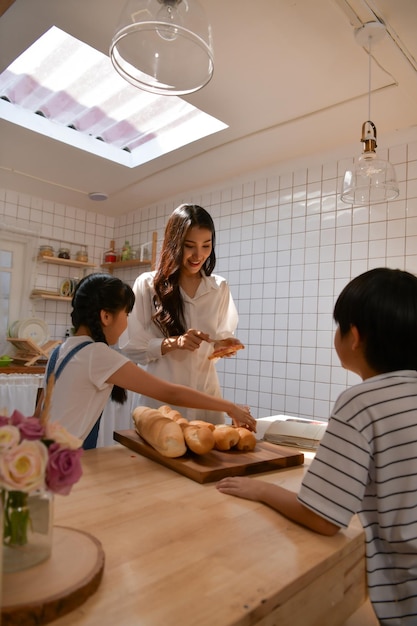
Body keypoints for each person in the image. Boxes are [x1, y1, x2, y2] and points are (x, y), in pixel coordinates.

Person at [217, 267, 417, 626]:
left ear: (354, 336)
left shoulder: (361, 402)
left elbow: (323, 518)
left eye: (338, 326)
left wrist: (260, 489)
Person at [34, 273, 256, 444]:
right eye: (126, 315)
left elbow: (38, 414)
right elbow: (171, 393)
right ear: (106, 316)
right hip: (64, 462)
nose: (127, 323)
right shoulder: (98, 355)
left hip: (42, 454)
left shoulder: (59, 351)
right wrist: (230, 407)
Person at [119, 204, 244, 424]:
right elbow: (132, 347)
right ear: (174, 244)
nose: (199, 255)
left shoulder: (219, 288)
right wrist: (175, 343)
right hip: (159, 403)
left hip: (206, 397)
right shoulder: (148, 285)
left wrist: (221, 347)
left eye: (206, 246)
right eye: (189, 246)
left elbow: (213, 348)